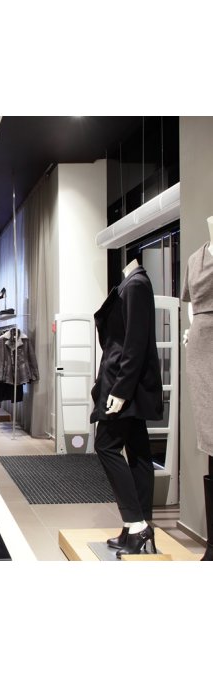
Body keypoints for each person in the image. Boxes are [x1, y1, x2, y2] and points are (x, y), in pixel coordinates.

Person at [91, 258, 164, 558]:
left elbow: (135, 342)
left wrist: (121, 390)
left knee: (105, 445)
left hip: (124, 380)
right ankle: (138, 526)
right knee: (138, 452)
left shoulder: (136, 285)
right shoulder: (131, 284)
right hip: (127, 380)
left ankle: (136, 523)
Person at [181, 215, 213, 561]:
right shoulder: (195, 258)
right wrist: (192, 329)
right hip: (203, 344)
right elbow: (191, 303)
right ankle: (212, 546)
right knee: (209, 435)